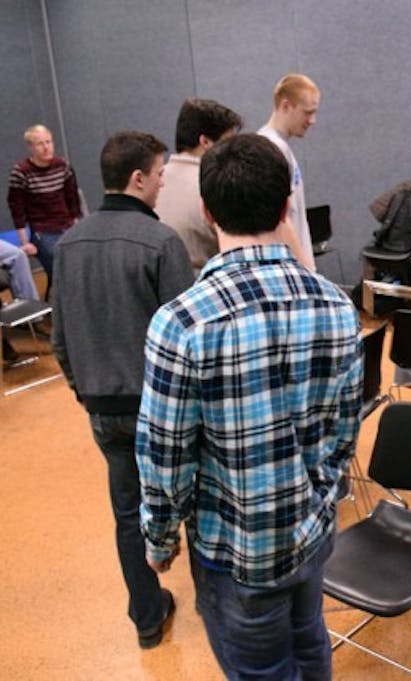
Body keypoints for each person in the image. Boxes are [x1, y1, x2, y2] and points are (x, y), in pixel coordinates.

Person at [136, 133, 363, 679]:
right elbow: (345, 432)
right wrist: (322, 500)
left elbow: (165, 457)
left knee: (262, 669)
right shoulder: (336, 304)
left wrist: (160, 538)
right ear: (286, 207)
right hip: (311, 533)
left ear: (209, 212)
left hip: (234, 551)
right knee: (310, 645)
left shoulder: (182, 323)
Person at [50, 130, 193, 649]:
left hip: (103, 409)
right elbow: (187, 338)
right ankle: (217, 605)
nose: (161, 185)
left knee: (128, 512)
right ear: (137, 178)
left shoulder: (67, 245)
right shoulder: (161, 242)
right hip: (160, 409)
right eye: (158, 175)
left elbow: (59, 338)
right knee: (193, 502)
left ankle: (148, 618)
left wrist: (85, 392)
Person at [156, 97, 243, 273]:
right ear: (205, 142)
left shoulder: (155, 185)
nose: (233, 150)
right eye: (228, 142)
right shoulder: (219, 186)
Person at [6, 124, 83, 295]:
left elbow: (73, 200)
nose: (46, 147)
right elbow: (16, 209)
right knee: (60, 262)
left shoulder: (63, 165)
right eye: (40, 143)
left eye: (48, 142)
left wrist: (77, 226)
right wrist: (25, 242)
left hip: (67, 225)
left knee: (85, 257)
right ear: (31, 148)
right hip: (43, 230)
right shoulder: (21, 172)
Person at [258, 72, 321, 271]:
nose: (313, 120)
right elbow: (281, 220)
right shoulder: (271, 150)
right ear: (286, 106)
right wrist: (307, 268)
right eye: (308, 112)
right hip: (291, 266)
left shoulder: (280, 148)